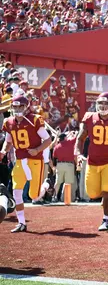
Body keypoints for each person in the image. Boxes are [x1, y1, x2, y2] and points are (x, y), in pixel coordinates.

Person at [75, 92, 108, 231]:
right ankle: (107, 199)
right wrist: (79, 154)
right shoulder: (88, 117)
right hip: (93, 161)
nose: (103, 106)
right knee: (92, 193)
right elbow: (80, 139)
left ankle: (106, 219)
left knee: (107, 190)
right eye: (100, 103)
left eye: (106, 103)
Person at [0, 95, 52, 233]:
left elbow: (48, 140)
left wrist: (37, 150)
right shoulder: (8, 122)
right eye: (15, 106)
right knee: (17, 192)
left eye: (20, 106)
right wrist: (3, 151)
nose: (17, 109)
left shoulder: (34, 119)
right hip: (20, 161)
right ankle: (21, 223)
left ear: (26, 107)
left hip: (35, 161)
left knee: (34, 196)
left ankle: (46, 185)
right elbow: (9, 141)